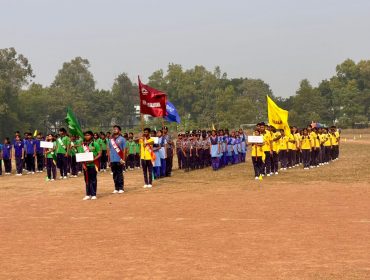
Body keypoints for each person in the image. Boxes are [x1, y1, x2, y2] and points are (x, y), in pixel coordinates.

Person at [80, 131, 101, 200]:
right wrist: (83, 164)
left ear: (91, 136)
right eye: (85, 135)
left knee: (93, 179)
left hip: (93, 164)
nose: (86, 136)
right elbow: (81, 155)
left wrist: (93, 160)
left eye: (88, 135)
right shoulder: (83, 145)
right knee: (86, 179)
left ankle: (93, 194)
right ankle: (88, 194)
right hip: (85, 165)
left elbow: (99, 154)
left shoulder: (95, 144)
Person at [108, 125, 126, 194]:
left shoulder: (122, 139)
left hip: (119, 159)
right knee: (114, 174)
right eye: (114, 129)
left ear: (119, 131)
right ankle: (116, 188)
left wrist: (123, 159)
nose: (114, 130)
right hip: (112, 160)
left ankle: (121, 188)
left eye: (116, 129)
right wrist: (109, 160)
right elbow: (109, 150)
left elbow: (124, 150)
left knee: (120, 174)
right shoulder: (110, 140)